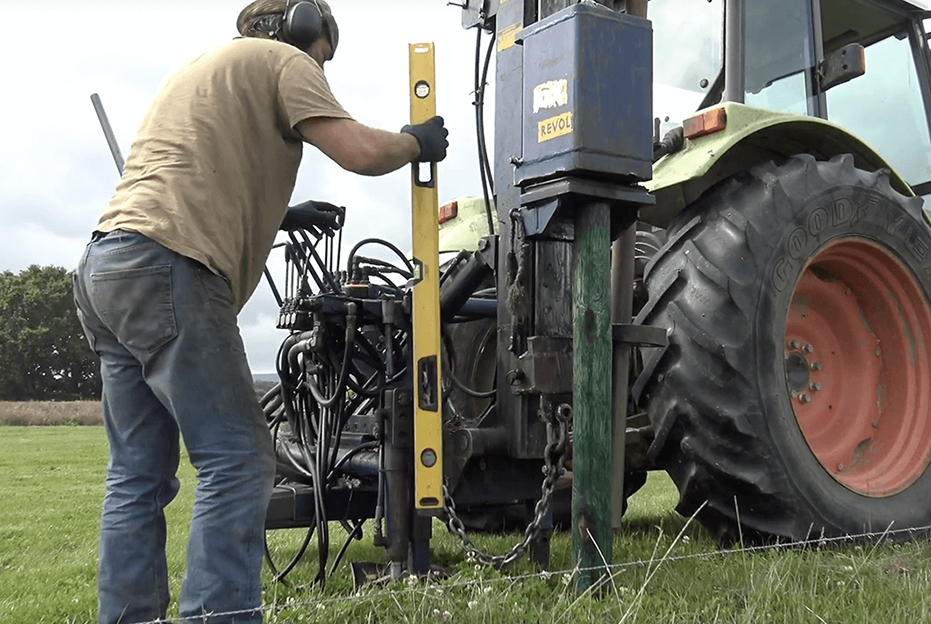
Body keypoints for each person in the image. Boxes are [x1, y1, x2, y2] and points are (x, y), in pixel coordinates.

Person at [72, 1, 448, 622]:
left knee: (136, 474)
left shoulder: (201, 66)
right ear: (304, 28)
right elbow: (356, 149)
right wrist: (415, 142)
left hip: (108, 270)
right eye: (325, 53)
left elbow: (192, 173)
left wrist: (284, 214)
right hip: (172, 268)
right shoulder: (285, 60)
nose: (321, 66)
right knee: (240, 460)